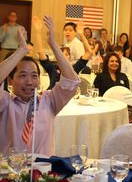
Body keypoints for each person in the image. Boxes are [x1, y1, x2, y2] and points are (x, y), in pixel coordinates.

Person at [0, 15, 80, 155]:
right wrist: (21, 50)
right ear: (10, 80)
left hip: (43, 172)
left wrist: (53, 44)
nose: (30, 82)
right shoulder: (5, 103)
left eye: (34, 76)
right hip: (11, 171)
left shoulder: (48, 101)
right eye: (23, 75)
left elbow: (71, 81)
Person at [36, 18, 92, 89]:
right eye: (61, 55)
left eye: (66, 55)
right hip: (52, 97)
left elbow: (89, 53)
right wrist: (38, 32)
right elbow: (40, 53)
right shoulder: (53, 68)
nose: (63, 57)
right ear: (56, 57)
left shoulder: (73, 69)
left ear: (70, 57)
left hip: (68, 98)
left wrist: (81, 34)